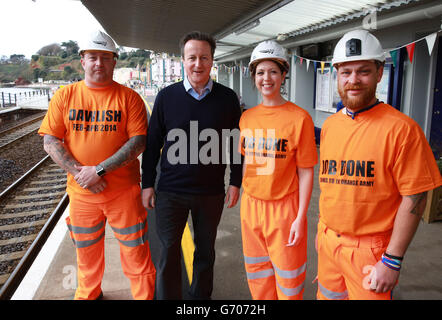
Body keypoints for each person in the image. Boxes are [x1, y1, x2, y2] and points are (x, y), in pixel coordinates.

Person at [317, 29, 442, 300]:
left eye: (363, 71)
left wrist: (392, 260)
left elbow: (416, 196)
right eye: (346, 72)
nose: (354, 80)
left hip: (370, 253)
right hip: (328, 244)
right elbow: (330, 188)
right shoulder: (330, 126)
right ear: (336, 75)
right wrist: (322, 234)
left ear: (379, 73)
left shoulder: (402, 129)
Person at [38, 30, 156, 300]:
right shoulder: (64, 96)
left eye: (105, 57)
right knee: (86, 256)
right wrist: (83, 175)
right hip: (82, 195)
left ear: (114, 61)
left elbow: (138, 142)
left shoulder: (129, 98)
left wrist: (98, 170)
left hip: (123, 193)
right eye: (93, 57)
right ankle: (88, 296)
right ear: (82, 60)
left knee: (136, 253)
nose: (99, 63)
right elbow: (51, 141)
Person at [141, 31, 242, 300]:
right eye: (192, 58)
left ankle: (200, 301)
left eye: (204, 58)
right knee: (169, 251)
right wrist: (147, 184)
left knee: (205, 251)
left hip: (210, 193)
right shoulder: (166, 97)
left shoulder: (228, 98)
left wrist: (235, 181)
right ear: (183, 61)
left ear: (212, 61)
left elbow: (235, 144)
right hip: (170, 193)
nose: (198, 64)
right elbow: (152, 145)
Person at [239, 40, 318, 299]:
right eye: (260, 72)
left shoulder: (299, 118)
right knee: (258, 276)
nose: (267, 78)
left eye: (273, 71)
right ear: (254, 77)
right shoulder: (247, 118)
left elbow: (306, 171)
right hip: (251, 208)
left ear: (284, 75)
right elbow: (247, 163)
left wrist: (300, 216)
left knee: (289, 281)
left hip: (285, 210)